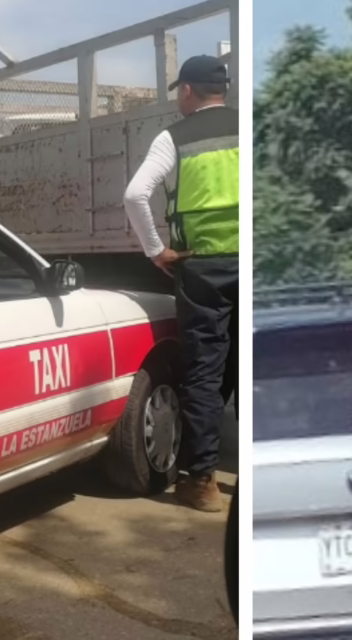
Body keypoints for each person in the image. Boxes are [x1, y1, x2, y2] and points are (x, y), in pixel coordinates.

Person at [123, 55, 238, 512]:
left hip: (202, 268)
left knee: (205, 372)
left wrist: (156, 250)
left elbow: (135, 194)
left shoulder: (174, 137)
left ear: (187, 90)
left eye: (179, 91)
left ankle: (202, 482)